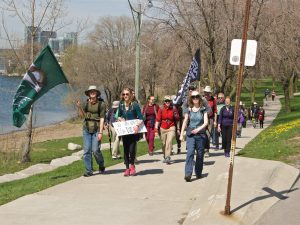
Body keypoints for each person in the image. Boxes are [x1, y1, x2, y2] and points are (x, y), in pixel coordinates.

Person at [76, 85, 106, 177]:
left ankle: (101, 164)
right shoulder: (85, 104)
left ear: (96, 93)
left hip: (97, 129)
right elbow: (82, 116)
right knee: (86, 151)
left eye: (94, 91)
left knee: (96, 150)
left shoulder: (101, 104)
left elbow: (102, 119)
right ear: (88, 94)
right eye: (90, 91)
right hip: (86, 129)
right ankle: (89, 170)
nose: (92, 92)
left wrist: (101, 132)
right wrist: (79, 107)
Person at [180, 91, 208, 182]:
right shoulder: (189, 109)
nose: (195, 98)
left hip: (200, 134)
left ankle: (198, 172)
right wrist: (181, 134)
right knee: (190, 153)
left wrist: (198, 129)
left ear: (199, 98)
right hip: (191, 134)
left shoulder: (203, 109)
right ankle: (188, 174)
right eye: (193, 97)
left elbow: (206, 122)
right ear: (191, 99)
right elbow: (185, 121)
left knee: (200, 155)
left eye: (196, 96)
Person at [116, 88, 144, 176]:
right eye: (123, 94)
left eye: (127, 94)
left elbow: (141, 118)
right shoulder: (121, 105)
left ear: (131, 95)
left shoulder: (135, 105)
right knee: (125, 149)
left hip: (134, 131)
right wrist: (120, 119)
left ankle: (132, 165)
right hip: (125, 130)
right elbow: (118, 115)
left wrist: (137, 126)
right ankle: (127, 168)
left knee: (132, 150)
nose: (125, 96)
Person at [155, 95, 180, 164]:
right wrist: (156, 130)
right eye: (166, 101)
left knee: (169, 142)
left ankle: (168, 156)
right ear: (164, 101)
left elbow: (177, 120)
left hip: (171, 127)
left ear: (170, 101)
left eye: (168, 101)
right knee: (163, 143)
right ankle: (165, 155)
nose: (167, 102)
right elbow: (157, 120)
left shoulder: (174, 109)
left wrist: (178, 129)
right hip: (163, 128)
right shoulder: (161, 109)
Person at [203, 86, 217, 157]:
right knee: (202, 135)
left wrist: (215, 121)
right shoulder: (201, 99)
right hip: (202, 119)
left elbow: (215, 111)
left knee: (207, 135)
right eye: (205, 92)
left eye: (208, 93)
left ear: (210, 93)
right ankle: (201, 149)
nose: (206, 94)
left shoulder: (213, 100)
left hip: (210, 119)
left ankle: (206, 150)